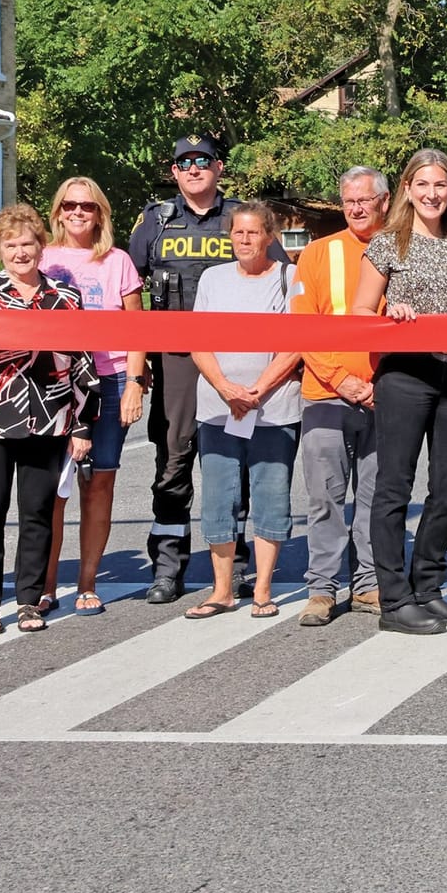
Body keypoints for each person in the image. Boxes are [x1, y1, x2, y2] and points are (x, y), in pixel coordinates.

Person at [125, 134, 288, 605]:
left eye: (203, 161)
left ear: (219, 167)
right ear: (174, 172)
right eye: (184, 163)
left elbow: (279, 282)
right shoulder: (155, 220)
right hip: (177, 357)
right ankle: (168, 565)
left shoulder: (243, 218)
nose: (194, 169)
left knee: (235, 462)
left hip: (238, 358)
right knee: (174, 459)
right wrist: (138, 367)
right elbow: (130, 294)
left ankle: (235, 567)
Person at [353, 150, 447, 635]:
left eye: (441, 185)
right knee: (394, 486)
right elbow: (359, 312)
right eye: (423, 185)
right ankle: (394, 599)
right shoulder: (387, 243)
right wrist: (388, 314)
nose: (432, 194)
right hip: (406, 371)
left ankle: (428, 586)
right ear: (408, 190)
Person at [0, 205, 101, 634]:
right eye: (11, 245)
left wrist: (82, 425)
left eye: (28, 244)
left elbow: (82, 363)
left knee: (37, 514)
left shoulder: (65, 298)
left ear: (41, 246)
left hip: (49, 421)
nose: (20, 252)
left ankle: (29, 601)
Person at [184, 203, 302, 620]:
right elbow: (198, 340)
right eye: (238, 232)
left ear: (269, 237)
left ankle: (263, 590)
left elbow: (298, 342)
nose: (245, 240)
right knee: (219, 498)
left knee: (271, 497)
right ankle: (222, 591)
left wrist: (257, 389)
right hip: (218, 409)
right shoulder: (213, 279)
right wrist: (224, 387)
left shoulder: (291, 277)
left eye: (254, 232)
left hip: (273, 409)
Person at [40, 177, 145, 616]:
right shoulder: (42, 257)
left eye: (87, 206)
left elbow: (138, 328)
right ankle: (45, 585)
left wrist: (135, 382)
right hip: (56, 383)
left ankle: (87, 583)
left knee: (100, 482)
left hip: (111, 378)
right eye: (70, 205)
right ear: (58, 211)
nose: (78, 212)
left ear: (100, 212)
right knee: (52, 489)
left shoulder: (118, 261)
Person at [290, 166, 389, 627]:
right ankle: (322, 589)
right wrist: (341, 380)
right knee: (325, 498)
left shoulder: (402, 250)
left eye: (364, 200)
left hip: (385, 396)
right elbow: (302, 327)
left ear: (384, 202)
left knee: (376, 496)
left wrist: (380, 384)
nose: (356, 209)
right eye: (349, 201)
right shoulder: (317, 253)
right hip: (325, 395)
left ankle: (368, 584)